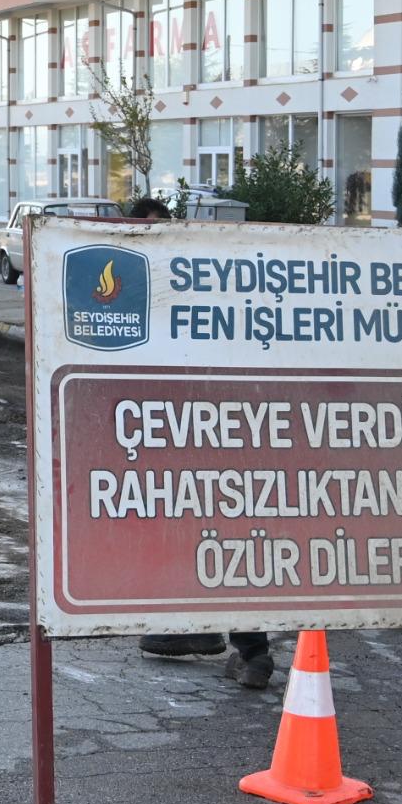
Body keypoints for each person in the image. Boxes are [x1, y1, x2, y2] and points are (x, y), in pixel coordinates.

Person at [119, 195, 278, 687]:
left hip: (204, 424)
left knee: (212, 527)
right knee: (192, 527)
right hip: (191, 422)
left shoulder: (171, 279)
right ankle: (204, 632)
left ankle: (240, 645)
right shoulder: (179, 273)